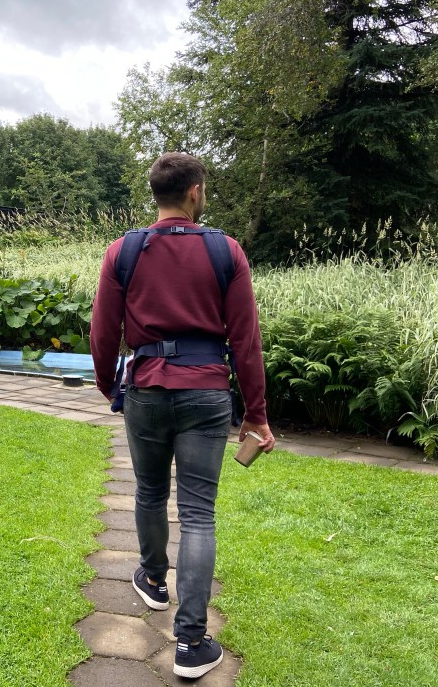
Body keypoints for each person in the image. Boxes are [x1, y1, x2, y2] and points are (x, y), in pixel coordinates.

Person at [90, 152, 274, 680]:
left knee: (149, 492)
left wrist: (110, 386)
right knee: (197, 514)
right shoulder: (225, 251)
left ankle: (152, 580)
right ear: (195, 192)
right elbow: (246, 340)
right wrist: (256, 415)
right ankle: (191, 643)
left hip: (145, 390)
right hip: (206, 392)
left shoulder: (123, 250)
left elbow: (102, 331)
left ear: (157, 193)